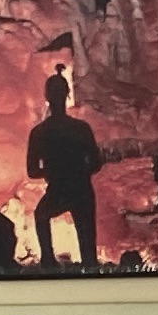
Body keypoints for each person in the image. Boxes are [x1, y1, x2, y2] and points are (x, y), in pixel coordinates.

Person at [25, 69, 102, 267]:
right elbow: (96, 163)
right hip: (81, 189)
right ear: (67, 95)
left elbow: (32, 171)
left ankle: (48, 260)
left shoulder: (39, 132)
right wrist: (78, 171)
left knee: (41, 216)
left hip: (58, 189)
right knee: (87, 243)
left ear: (47, 97)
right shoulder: (81, 128)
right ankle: (89, 269)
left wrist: (52, 172)